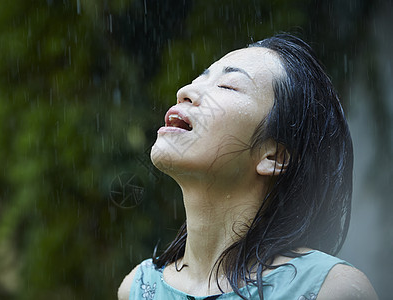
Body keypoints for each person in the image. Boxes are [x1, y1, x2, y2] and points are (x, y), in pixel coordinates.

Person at [118, 34, 378, 299]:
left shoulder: (332, 290)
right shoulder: (137, 288)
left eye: (228, 86)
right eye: (199, 79)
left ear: (273, 156)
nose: (185, 91)